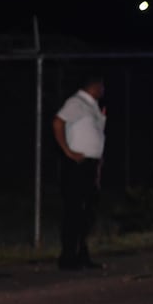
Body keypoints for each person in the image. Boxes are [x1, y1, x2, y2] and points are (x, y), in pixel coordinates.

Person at [52, 73, 107, 270]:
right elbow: (58, 122)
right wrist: (67, 151)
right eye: (101, 85)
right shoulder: (76, 103)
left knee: (87, 212)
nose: (103, 89)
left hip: (90, 164)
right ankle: (68, 257)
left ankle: (81, 254)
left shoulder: (92, 106)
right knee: (74, 210)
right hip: (77, 165)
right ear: (94, 85)